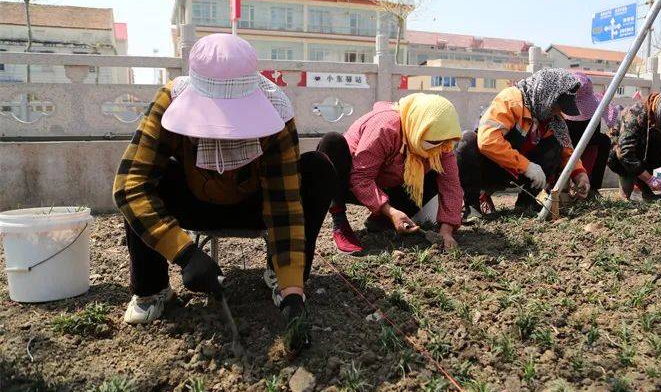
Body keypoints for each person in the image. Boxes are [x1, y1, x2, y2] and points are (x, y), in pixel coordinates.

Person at [113, 34, 335, 348]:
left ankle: (282, 276)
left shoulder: (276, 111)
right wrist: (186, 253)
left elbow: (284, 203)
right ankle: (153, 289)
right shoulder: (170, 101)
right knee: (150, 180)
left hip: (253, 203)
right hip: (193, 198)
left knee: (315, 169)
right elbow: (130, 185)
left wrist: (293, 292)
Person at [316, 93, 463, 254]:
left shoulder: (441, 145)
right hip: (351, 182)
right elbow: (361, 178)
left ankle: (381, 220)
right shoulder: (385, 127)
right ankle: (340, 224)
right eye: (433, 142)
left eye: (444, 142)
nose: (439, 148)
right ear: (417, 128)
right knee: (332, 143)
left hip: (388, 184)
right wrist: (391, 211)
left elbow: (451, 186)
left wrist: (446, 231)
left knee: (439, 172)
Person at [455, 68, 591, 216]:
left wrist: (580, 174)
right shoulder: (511, 100)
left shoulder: (551, 117)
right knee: (466, 141)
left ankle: (526, 205)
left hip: (518, 171)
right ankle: (472, 206)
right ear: (547, 95)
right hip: (490, 167)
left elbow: (566, 150)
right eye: (556, 106)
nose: (558, 112)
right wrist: (526, 166)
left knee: (555, 146)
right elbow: (488, 141)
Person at [563, 72, 613, 198]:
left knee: (603, 141)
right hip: (567, 143)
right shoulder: (560, 117)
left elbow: (594, 140)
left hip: (589, 143)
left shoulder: (593, 114)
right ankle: (561, 187)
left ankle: (592, 187)